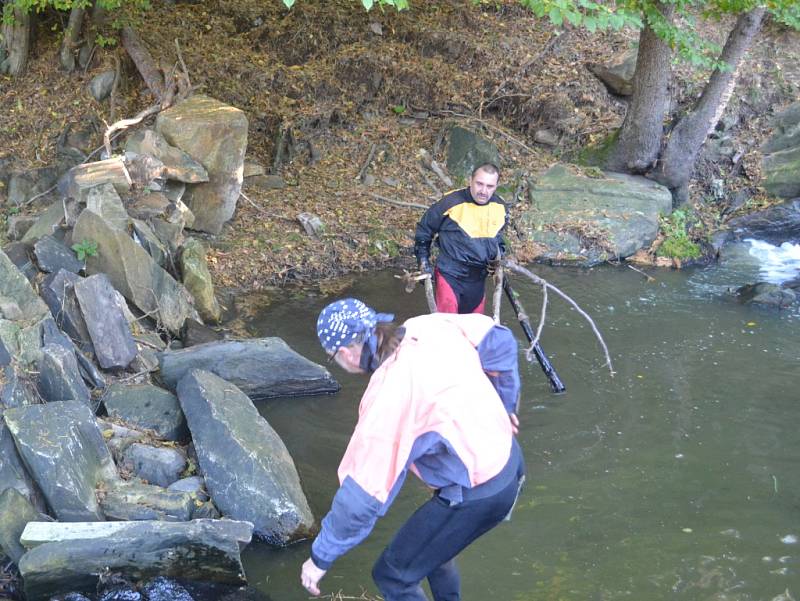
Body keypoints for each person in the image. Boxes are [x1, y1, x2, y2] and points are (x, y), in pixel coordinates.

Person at [301, 298, 525, 601]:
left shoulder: (389, 397)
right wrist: (506, 403)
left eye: (332, 358)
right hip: (509, 460)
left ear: (345, 353)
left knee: (393, 576)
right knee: (434, 555)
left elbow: (363, 495)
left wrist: (319, 558)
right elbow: (497, 340)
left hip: (478, 491)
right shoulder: (426, 326)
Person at [414, 163, 508, 314]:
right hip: (450, 274)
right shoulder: (450, 202)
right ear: (470, 180)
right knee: (448, 327)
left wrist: (499, 257)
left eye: (490, 186)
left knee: (474, 330)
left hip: (478, 278)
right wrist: (423, 261)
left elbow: (498, 239)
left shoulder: (500, 208)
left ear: (496, 186)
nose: (483, 191)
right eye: (479, 184)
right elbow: (425, 229)